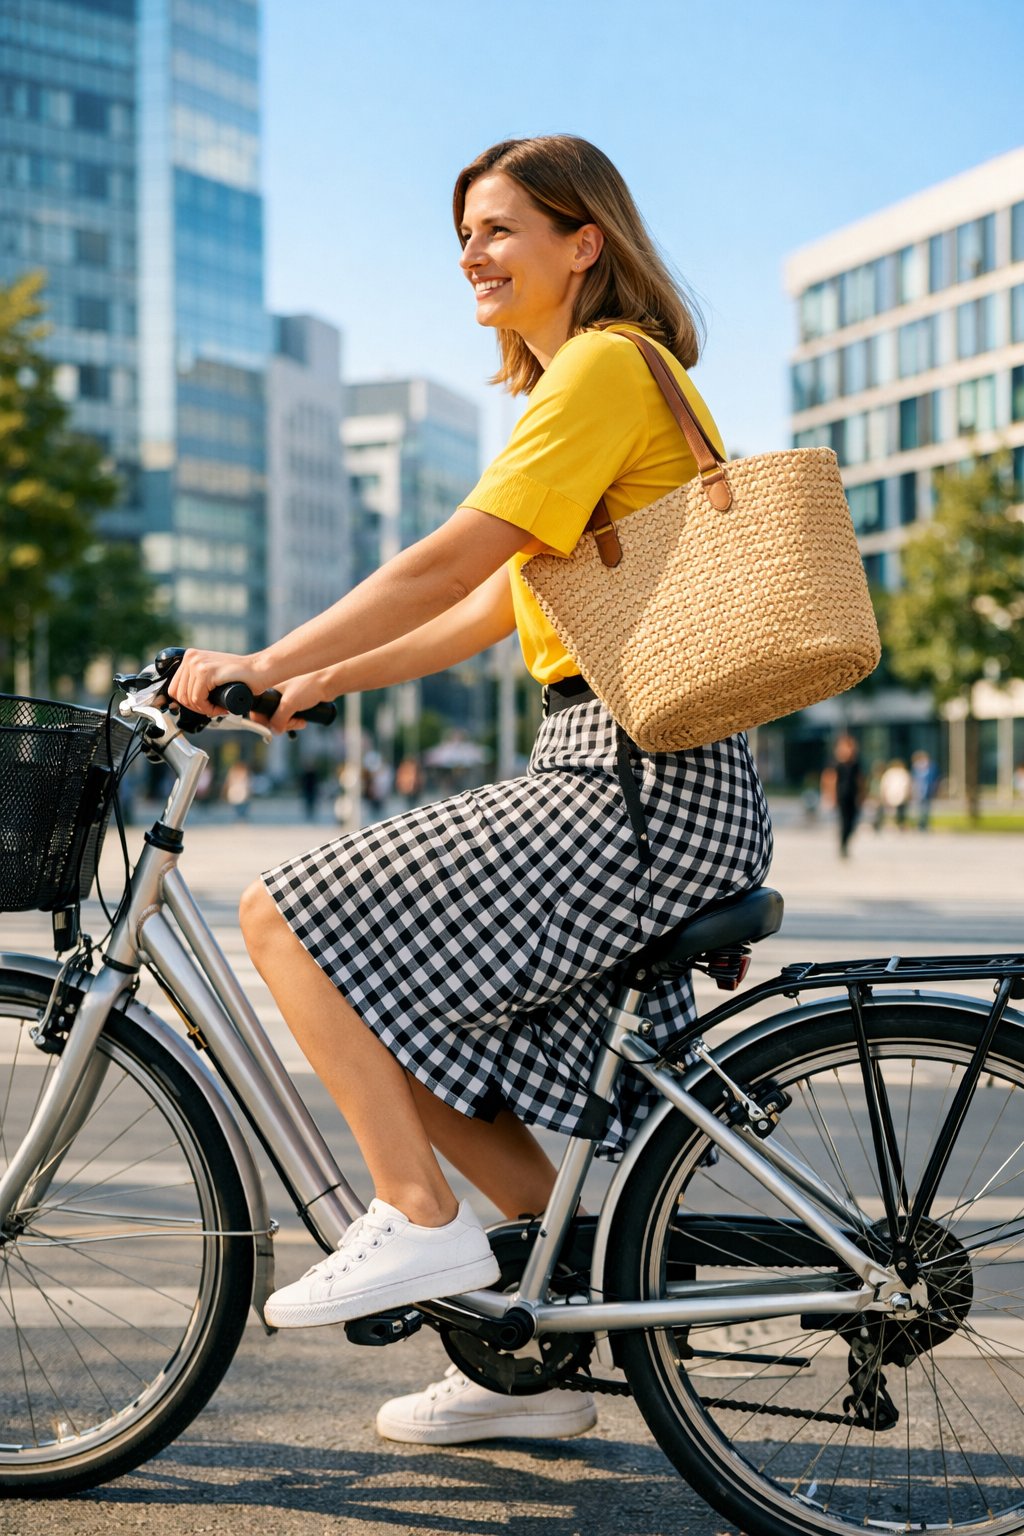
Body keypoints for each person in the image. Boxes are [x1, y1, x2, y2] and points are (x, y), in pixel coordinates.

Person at [168, 135, 772, 1446]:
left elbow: (455, 557)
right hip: (633, 774)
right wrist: (321, 685)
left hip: (628, 783)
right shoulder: (594, 386)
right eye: (465, 235)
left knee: (280, 913)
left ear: (583, 244)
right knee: (392, 1016)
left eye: (501, 229)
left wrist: (267, 655)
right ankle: (530, 1357)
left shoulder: (607, 367)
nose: (473, 256)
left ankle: (423, 1221)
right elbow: (499, 605)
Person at [821, 732, 863, 858]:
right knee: (844, 821)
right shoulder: (836, 763)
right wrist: (830, 795)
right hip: (841, 796)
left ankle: (845, 843)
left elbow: (860, 780)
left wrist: (862, 795)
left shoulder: (855, 763)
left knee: (853, 821)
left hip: (853, 795)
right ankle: (843, 846)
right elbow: (829, 778)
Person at [910, 750, 939, 831]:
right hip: (918, 791)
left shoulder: (932, 767)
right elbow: (914, 780)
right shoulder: (915, 768)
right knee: (918, 809)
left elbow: (934, 779)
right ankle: (920, 824)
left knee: (926, 808)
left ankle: (925, 824)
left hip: (927, 791)